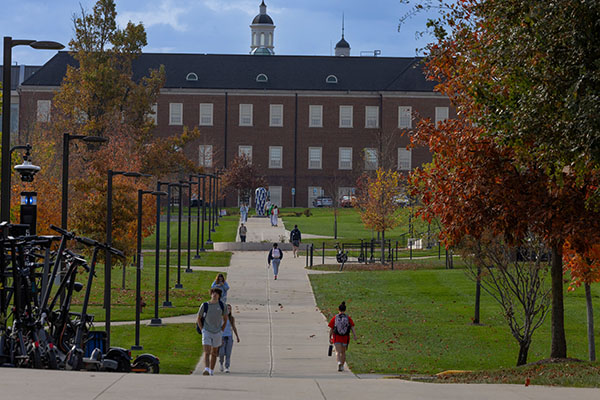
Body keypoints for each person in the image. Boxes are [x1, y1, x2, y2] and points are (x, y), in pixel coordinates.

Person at [197, 288, 228, 376]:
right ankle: (206, 369)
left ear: (219, 295)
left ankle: (211, 370)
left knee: (214, 352)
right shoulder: (205, 305)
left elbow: (225, 319)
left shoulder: (222, 306)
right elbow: (198, 318)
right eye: (213, 293)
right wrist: (202, 329)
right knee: (207, 351)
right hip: (207, 330)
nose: (214, 295)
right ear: (211, 294)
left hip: (217, 332)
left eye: (216, 293)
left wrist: (222, 330)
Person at [328, 301, 356, 372]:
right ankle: (342, 365)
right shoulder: (348, 318)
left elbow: (331, 328)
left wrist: (330, 337)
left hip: (337, 337)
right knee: (343, 352)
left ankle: (339, 362)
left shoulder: (335, 317)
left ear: (338, 309)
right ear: (345, 310)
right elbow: (352, 327)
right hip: (345, 337)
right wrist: (355, 335)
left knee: (337, 351)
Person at [219, 304, 240, 373]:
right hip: (222, 337)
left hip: (229, 337)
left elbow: (233, 327)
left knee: (228, 353)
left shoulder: (231, 318)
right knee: (221, 353)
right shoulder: (220, 318)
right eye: (227, 308)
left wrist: (237, 336)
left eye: (229, 309)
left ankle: (227, 367)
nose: (228, 310)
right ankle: (221, 363)